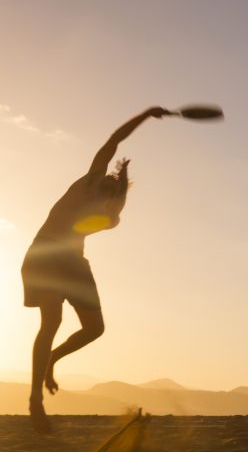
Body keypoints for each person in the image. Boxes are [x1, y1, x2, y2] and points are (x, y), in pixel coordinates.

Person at [21, 106, 172, 433]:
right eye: (106, 176)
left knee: (95, 328)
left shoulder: (108, 214)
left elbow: (117, 209)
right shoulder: (87, 184)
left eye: (111, 181)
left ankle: (52, 361)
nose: (105, 176)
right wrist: (146, 115)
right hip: (46, 251)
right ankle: (35, 398)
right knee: (52, 321)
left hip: (74, 262)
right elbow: (113, 141)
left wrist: (122, 181)